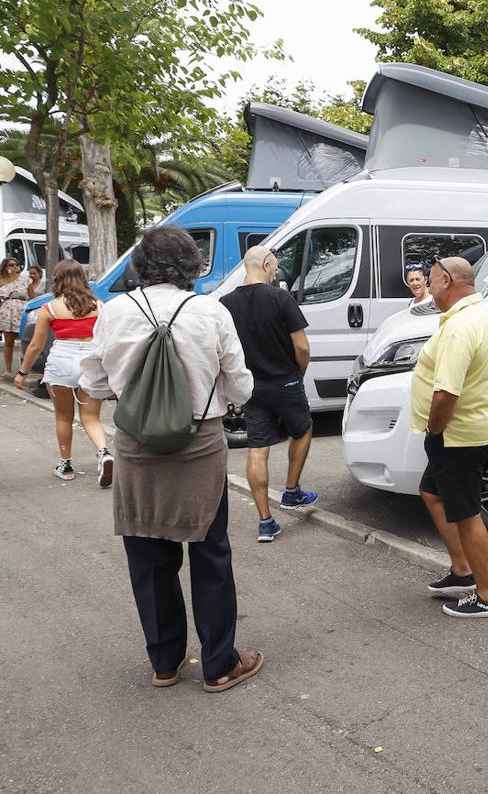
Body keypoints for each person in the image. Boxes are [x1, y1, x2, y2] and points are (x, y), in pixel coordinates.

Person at [79, 225, 263, 692]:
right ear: (191, 266)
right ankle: (220, 664)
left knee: (147, 555)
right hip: (199, 448)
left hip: (136, 448)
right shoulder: (210, 312)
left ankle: (164, 661)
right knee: (210, 554)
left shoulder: (115, 312)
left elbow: (95, 385)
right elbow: (241, 385)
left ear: (139, 265)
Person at [412, 256, 488, 618]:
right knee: (432, 492)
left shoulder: (459, 327)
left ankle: (487, 596)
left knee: (467, 514)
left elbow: (445, 393)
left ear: (448, 281)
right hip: (476, 427)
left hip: (458, 436)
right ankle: (462, 572)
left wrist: (434, 430)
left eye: (433, 281)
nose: (429, 287)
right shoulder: (484, 314)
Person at [220, 245, 317, 542]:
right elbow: (302, 347)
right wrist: (296, 375)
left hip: (251, 387)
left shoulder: (225, 303)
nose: (276, 273)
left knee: (257, 449)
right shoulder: (280, 297)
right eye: (274, 268)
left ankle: (265, 522)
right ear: (264, 265)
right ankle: (291, 492)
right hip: (284, 381)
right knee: (303, 430)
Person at [14, 260, 112, 484]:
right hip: (90, 362)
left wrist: (22, 372)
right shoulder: (99, 306)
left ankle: (66, 465)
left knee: (63, 417)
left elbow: (36, 345)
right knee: (90, 417)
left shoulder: (49, 308)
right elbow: (107, 340)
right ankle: (104, 452)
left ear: (58, 279)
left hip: (61, 362)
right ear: (82, 278)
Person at [0, 256, 27, 380]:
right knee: (9, 341)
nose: (14, 267)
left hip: (21, 310)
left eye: (16, 264)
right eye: (11, 265)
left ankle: (25, 369)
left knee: (25, 340)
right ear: (5, 267)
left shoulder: (24, 280)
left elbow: (31, 297)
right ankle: (8, 370)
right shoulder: (1, 280)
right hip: (6, 312)